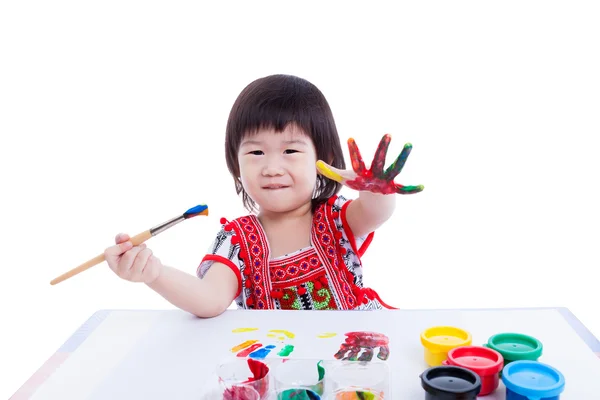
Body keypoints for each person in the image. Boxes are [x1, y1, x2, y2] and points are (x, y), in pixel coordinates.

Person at [104, 74, 423, 318]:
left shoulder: (335, 217)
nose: (272, 167)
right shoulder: (238, 240)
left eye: (290, 151)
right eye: (256, 151)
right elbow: (210, 300)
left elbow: (376, 212)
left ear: (321, 159)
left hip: (352, 358)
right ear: (236, 162)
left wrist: (377, 189)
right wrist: (154, 273)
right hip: (280, 369)